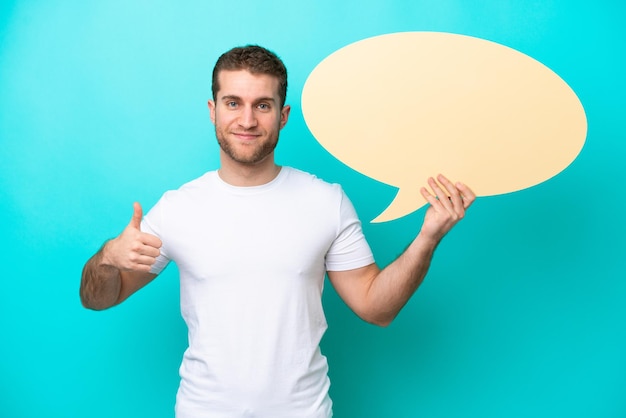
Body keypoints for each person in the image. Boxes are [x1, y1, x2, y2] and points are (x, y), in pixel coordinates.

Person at [80, 45, 476, 418]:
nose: (247, 120)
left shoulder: (326, 202)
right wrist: (108, 258)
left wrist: (427, 238)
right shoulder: (178, 208)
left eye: (262, 105)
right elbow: (98, 299)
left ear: (283, 115)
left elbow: (377, 309)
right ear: (212, 110)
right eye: (233, 103)